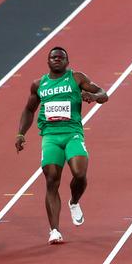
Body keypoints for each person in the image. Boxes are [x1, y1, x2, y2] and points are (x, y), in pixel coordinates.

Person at [16, 47, 108, 244]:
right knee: (51, 180)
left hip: (72, 133)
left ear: (67, 61)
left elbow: (103, 93)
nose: (57, 59)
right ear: (48, 61)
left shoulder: (76, 78)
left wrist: (94, 97)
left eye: (61, 57)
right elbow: (29, 110)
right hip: (50, 136)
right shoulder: (39, 84)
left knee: (80, 173)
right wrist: (21, 133)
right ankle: (55, 230)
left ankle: (74, 201)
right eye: (53, 57)